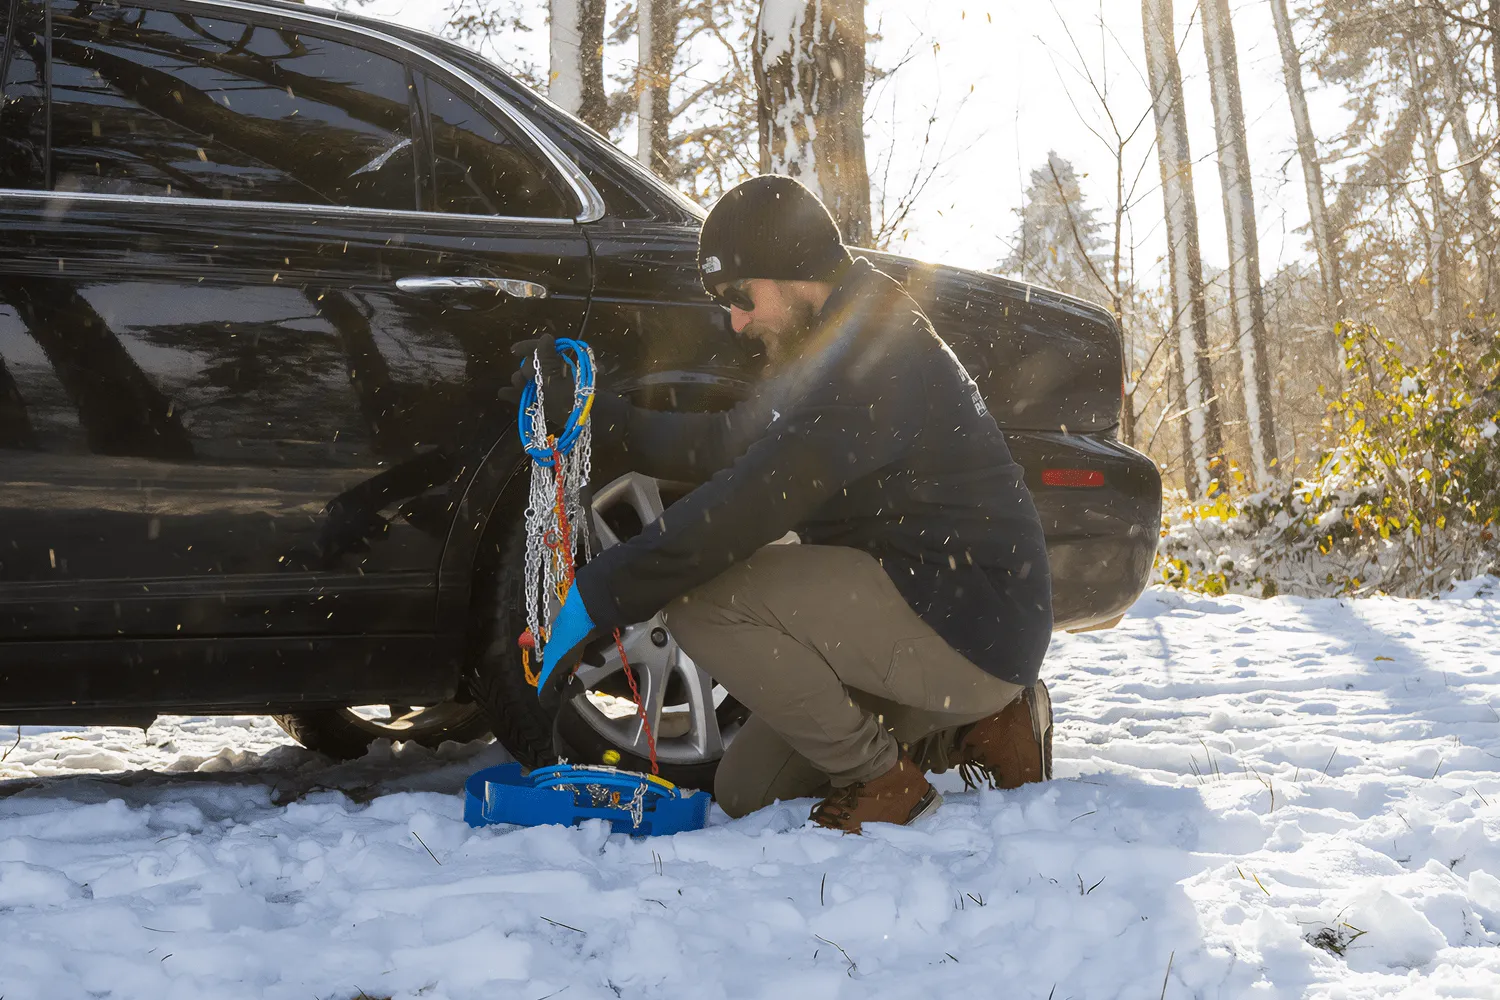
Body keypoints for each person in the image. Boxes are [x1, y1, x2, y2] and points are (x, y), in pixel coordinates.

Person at [524, 176, 1054, 833]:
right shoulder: (834, 341)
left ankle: (883, 780)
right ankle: (976, 726)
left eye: (740, 297)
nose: (735, 321)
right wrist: (599, 419)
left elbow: (746, 506)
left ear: (795, 270)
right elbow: (726, 445)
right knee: (749, 789)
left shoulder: (877, 360)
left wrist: (596, 599)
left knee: (703, 604)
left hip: (967, 613)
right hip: (927, 609)